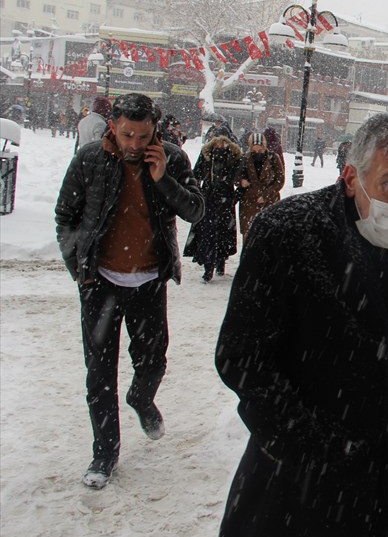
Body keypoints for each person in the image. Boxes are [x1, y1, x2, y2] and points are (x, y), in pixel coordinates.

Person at [215, 113, 388, 537]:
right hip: (292, 479)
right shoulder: (287, 230)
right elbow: (241, 356)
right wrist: (312, 448)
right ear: (350, 177)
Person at [54, 92, 205, 490]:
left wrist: (163, 180)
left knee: (153, 361)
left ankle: (141, 398)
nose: (135, 145)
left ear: (155, 130)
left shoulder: (171, 157)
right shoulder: (89, 159)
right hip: (100, 282)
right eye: (127, 135)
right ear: (113, 128)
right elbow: (65, 217)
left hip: (149, 283)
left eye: (143, 136)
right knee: (100, 374)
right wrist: (79, 269)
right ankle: (104, 453)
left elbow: (196, 210)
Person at [183, 127, 243, 282]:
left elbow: (240, 179)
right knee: (207, 233)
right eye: (217, 141)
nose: (219, 145)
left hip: (225, 200)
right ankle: (208, 266)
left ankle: (220, 262)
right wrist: (197, 192)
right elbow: (196, 174)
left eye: (223, 141)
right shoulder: (207, 155)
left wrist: (234, 196)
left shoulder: (234, 157)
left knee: (223, 233)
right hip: (209, 198)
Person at [236, 132, 285, 242]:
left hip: (270, 202)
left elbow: (280, 180)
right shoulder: (245, 158)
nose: (257, 153)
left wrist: (266, 195)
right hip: (249, 203)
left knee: (268, 235)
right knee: (249, 235)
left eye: (260, 150)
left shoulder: (273, 158)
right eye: (254, 150)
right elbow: (236, 176)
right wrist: (241, 182)